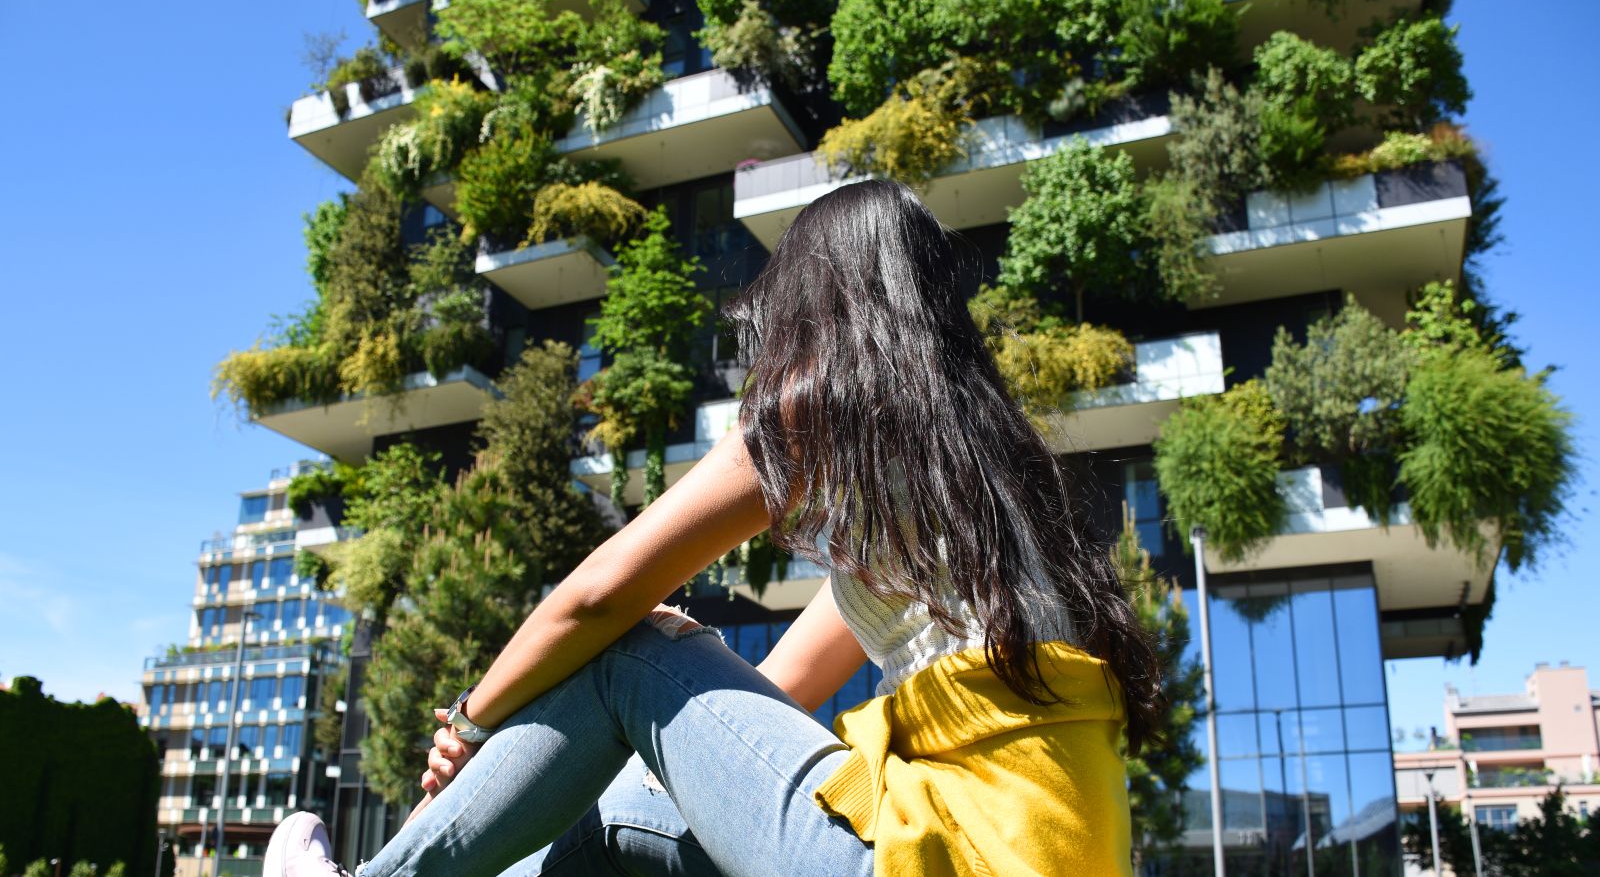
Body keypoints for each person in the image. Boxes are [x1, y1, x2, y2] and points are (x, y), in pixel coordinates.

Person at [263, 180, 1162, 877]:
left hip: (934, 860)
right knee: (623, 822)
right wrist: (688, 675)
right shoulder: (984, 483)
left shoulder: (825, 408)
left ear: (820, 301)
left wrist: (467, 725)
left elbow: (594, 600)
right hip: (1022, 850)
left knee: (627, 649)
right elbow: (779, 693)